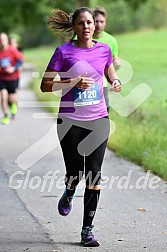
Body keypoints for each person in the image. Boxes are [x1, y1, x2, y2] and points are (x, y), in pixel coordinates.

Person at [40, 7, 121, 247]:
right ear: (74, 28)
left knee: (94, 173)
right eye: (81, 23)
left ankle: (87, 230)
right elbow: (46, 86)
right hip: (70, 122)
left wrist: (114, 81)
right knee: (75, 172)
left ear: (95, 26)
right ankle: (69, 190)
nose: (86, 26)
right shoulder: (63, 52)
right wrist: (72, 81)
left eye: (90, 22)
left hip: (98, 119)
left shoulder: (104, 49)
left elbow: (108, 71)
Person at [93, 7, 121, 112]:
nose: (99, 25)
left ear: (105, 23)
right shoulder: (81, 38)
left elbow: (114, 61)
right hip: (84, 84)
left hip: (102, 84)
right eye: (96, 21)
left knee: (104, 113)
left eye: (102, 21)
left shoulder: (111, 40)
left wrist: (114, 79)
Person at [0, 33, 23, 124]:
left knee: (11, 99)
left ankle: (13, 105)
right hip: (2, 78)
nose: (2, 41)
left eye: (4, 39)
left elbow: (20, 61)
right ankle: (5, 116)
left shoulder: (12, 50)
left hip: (12, 78)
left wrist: (13, 68)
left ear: (7, 40)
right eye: (0, 40)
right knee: (3, 97)